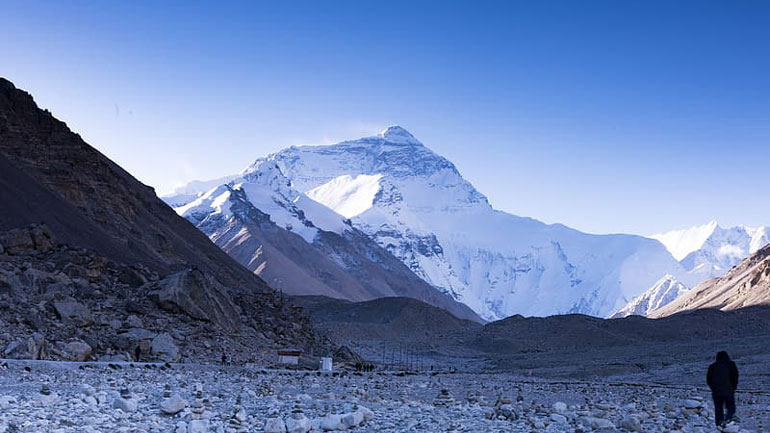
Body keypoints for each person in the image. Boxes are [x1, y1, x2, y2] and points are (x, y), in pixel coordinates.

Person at [707, 351, 739, 428]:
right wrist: (733, 387)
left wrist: (713, 388)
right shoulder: (731, 364)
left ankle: (718, 424)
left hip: (716, 392)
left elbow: (708, 379)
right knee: (731, 408)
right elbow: (735, 377)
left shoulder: (712, 366)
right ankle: (727, 421)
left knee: (718, 409)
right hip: (728, 390)